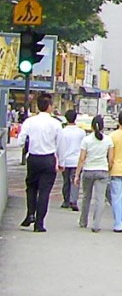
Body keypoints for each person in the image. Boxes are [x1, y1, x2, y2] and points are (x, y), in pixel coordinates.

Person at [16, 95, 63, 232]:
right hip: (48, 159)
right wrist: (60, 161)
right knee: (44, 192)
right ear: (49, 107)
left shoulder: (29, 122)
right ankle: (39, 223)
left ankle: (30, 213)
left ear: (38, 106)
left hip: (33, 159)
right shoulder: (56, 123)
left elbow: (20, 141)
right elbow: (60, 145)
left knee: (31, 187)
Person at [75, 115, 114, 232]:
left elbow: (82, 158)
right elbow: (111, 160)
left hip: (88, 171)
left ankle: (83, 221)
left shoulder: (86, 140)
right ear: (103, 127)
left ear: (92, 126)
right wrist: (109, 170)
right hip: (102, 171)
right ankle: (96, 224)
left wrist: (77, 174)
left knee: (86, 197)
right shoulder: (108, 140)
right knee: (100, 199)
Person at [56, 109, 86, 211]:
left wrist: (59, 160)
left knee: (66, 182)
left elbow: (59, 147)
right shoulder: (81, 132)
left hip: (65, 160)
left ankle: (66, 201)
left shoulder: (62, 132)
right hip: (77, 161)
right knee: (75, 180)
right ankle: (73, 200)